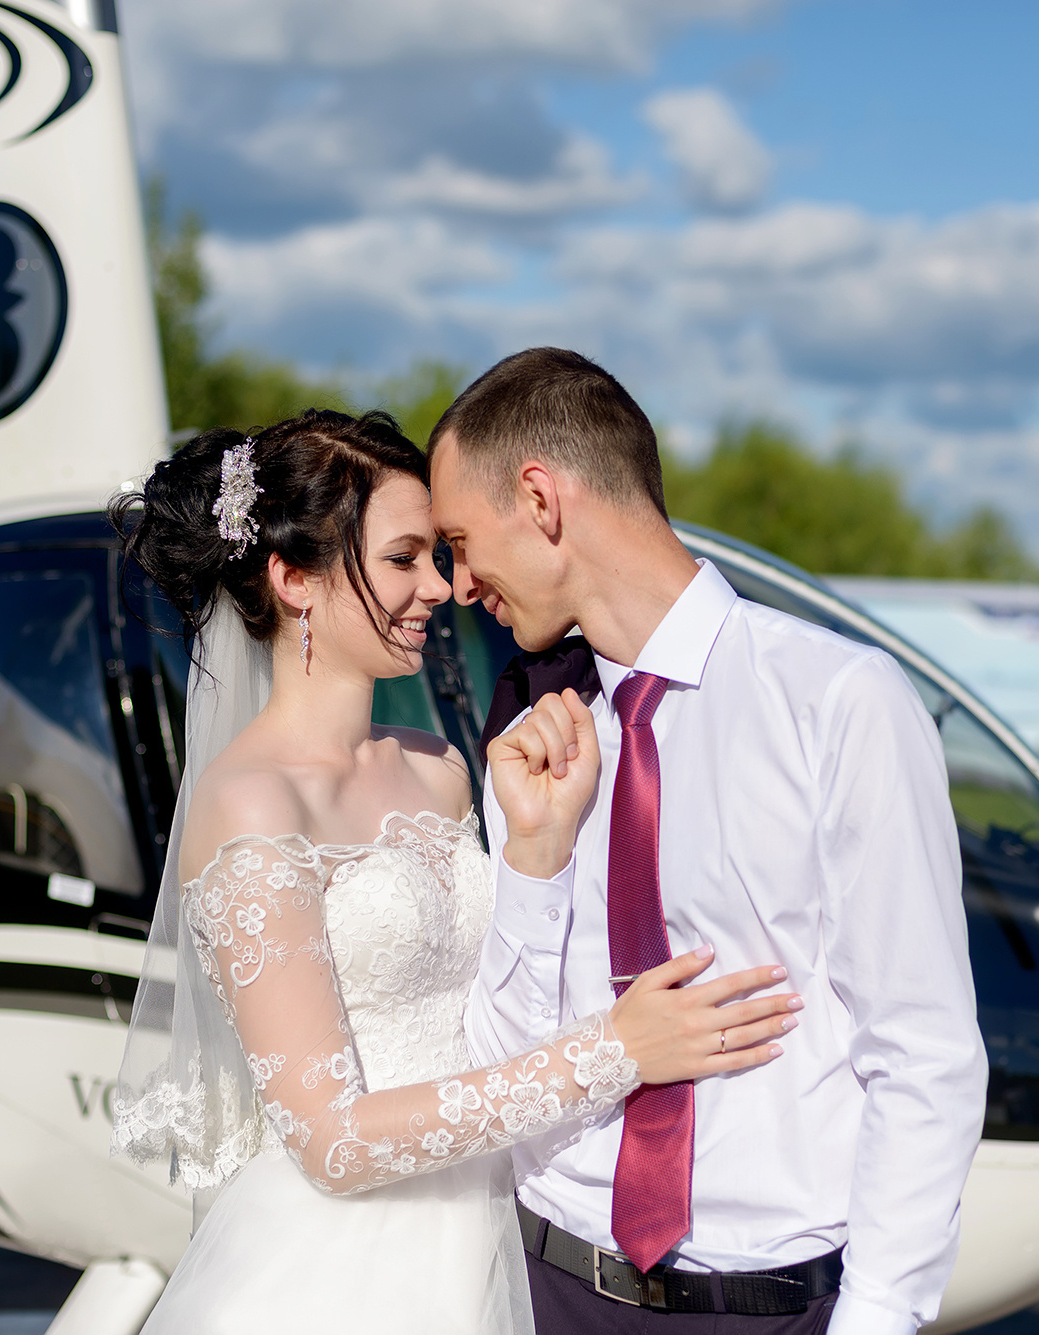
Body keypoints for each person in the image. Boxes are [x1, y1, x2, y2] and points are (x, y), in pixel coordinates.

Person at [108, 409, 801, 1334]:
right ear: (294, 579)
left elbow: (495, 1002)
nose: (441, 586)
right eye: (404, 559)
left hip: (494, 1229)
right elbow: (332, 1141)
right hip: (343, 1268)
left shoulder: (437, 768)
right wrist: (615, 1051)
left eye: (438, 555)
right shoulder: (251, 805)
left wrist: (539, 847)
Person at [431, 349, 988, 1335]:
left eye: (461, 543)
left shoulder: (836, 701)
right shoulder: (528, 733)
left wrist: (876, 1319)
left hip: (769, 1310)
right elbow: (503, 1056)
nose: (460, 585)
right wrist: (534, 861)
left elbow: (923, 1052)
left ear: (541, 500)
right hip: (544, 1286)